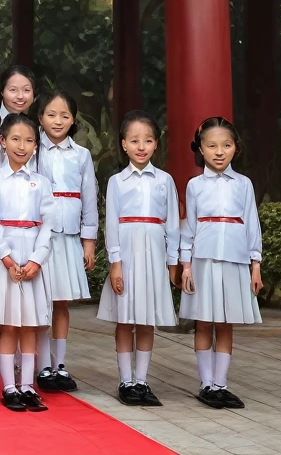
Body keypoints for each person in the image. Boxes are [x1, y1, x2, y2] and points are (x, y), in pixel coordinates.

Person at [96, 111, 180, 407]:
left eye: (148, 140)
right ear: (123, 144)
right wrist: (115, 263)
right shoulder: (117, 181)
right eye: (134, 140)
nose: (141, 146)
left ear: (156, 144)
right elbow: (113, 223)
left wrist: (173, 262)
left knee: (146, 320)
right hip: (127, 253)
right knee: (125, 319)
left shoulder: (165, 180)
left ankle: (142, 381)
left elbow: (172, 224)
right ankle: (125, 380)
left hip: (154, 253)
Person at [179, 117, 263, 410]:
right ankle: (206, 385)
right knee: (204, 321)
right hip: (203, 259)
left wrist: (256, 264)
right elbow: (189, 227)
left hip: (236, 259)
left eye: (226, 145)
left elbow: (252, 223)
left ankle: (221, 384)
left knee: (226, 323)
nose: (219, 151)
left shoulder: (244, 184)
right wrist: (185, 264)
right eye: (211, 145)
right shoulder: (195, 185)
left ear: (235, 148)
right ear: (200, 149)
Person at [0, 114, 55, 413]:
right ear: (2, 141)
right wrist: (9, 259)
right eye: (15, 139)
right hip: (6, 258)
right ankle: (8, 387)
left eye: (28, 140)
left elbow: (48, 223)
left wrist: (37, 260)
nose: (21, 146)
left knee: (30, 325)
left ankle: (27, 385)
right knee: (10, 323)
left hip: (33, 255)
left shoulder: (42, 182)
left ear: (36, 145)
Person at [32, 90, 98, 393]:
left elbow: (89, 199)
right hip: (37, 237)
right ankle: (41, 365)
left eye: (65, 115)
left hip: (68, 236)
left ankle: (59, 364)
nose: (57, 121)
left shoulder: (81, 155)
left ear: (74, 120)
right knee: (39, 302)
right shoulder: (32, 151)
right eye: (51, 114)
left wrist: (89, 240)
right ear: (40, 117)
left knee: (60, 303)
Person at [0, 65, 37, 131]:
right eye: (13, 90)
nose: (20, 96)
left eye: (26, 90)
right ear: (2, 91)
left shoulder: (36, 122)